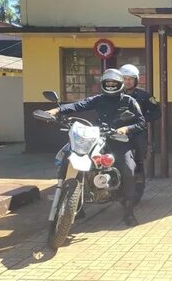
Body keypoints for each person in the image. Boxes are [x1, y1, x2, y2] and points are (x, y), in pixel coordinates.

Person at [46, 68, 146, 227]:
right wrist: (57, 110)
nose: (111, 85)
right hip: (98, 138)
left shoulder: (129, 101)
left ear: (120, 84)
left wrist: (126, 129)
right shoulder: (98, 99)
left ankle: (128, 212)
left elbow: (141, 123)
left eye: (114, 83)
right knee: (76, 161)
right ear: (103, 84)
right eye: (108, 83)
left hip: (120, 140)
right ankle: (75, 206)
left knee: (129, 169)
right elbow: (79, 105)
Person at [119, 64, 161, 182]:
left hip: (137, 131)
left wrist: (142, 119)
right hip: (117, 130)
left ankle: (138, 179)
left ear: (136, 80)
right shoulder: (114, 95)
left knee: (139, 156)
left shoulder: (144, 96)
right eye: (125, 78)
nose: (127, 82)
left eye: (130, 79)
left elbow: (157, 112)